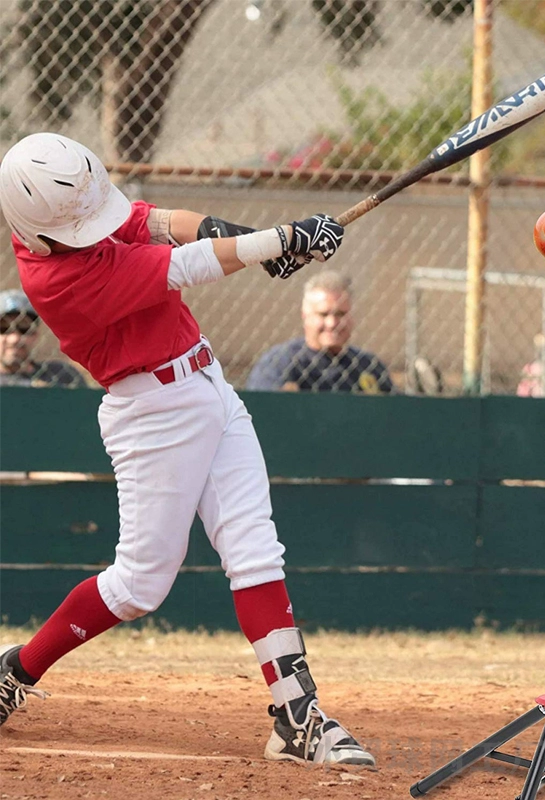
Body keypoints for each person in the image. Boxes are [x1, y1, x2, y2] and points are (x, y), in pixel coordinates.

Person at [0, 132, 374, 767]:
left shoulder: (62, 217)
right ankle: (17, 669)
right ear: (39, 233)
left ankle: (296, 716)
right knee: (139, 586)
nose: (100, 226)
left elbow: (154, 223)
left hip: (207, 383)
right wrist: (279, 241)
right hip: (152, 415)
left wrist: (242, 231)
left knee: (255, 548)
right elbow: (183, 266)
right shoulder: (56, 278)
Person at [246, 270, 394, 393]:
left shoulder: (367, 365)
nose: (332, 323)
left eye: (341, 314)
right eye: (323, 314)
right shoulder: (280, 363)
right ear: (305, 316)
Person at [0, 288, 86, 387]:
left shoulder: (62, 375)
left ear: (35, 335)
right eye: (4, 329)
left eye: (24, 329)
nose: (14, 339)